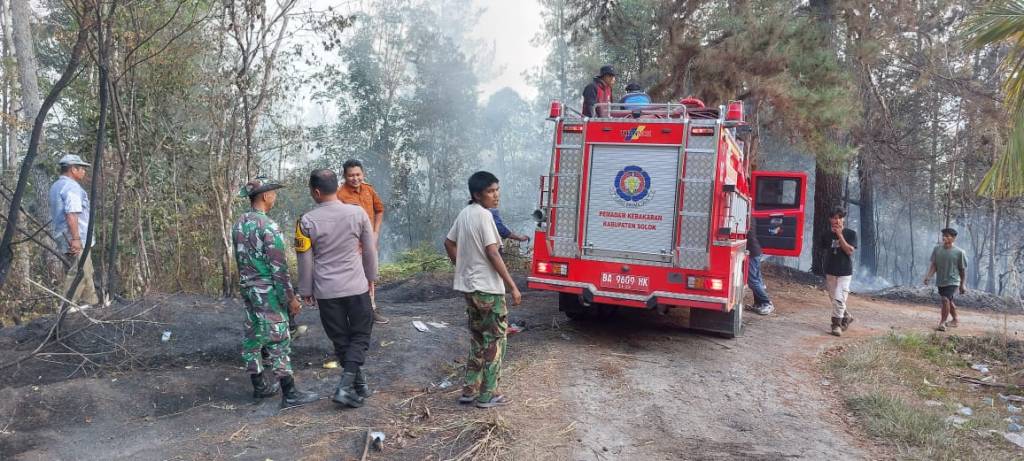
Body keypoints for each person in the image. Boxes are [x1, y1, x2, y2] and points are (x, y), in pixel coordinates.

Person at [232, 177, 318, 408]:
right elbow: (278, 269)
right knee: (279, 339)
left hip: (248, 290)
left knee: (253, 335)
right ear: (265, 196)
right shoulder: (269, 226)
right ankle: (289, 393)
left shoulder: (239, 224)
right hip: (267, 292)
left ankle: (259, 386)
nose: (275, 197)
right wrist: (290, 299)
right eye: (273, 193)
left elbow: (240, 261)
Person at [297, 169, 378, 408]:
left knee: (341, 339)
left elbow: (304, 258)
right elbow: (369, 249)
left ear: (316, 192)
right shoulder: (358, 213)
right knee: (360, 335)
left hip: (326, 291)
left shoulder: (306, 221)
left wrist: (306, 289)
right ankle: (346, 387)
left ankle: (357, 385)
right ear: (337, 186)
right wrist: (371, 278)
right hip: (356, 286)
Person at [444, 171, 522, 409]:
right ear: (477, 195)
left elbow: (448, 242)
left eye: (497, 190)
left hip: (470, 288)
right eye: (490, 191)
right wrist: (512, 286)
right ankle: (488, 394)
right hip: (488, 289)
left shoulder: (465, 213)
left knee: (478, 337)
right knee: (496, 340)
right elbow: (492, 252)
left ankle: (469, 389)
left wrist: (462, 266)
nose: (496, 195)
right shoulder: (484, 216)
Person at [337, 159, 388, 325]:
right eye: (351, 175)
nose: (355, 178)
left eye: (358, 174)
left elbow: (379, 210)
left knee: (370, 277)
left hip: (370, 244)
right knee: (352, 279)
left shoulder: (369, 189)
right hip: (350, 247)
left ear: (363, 174)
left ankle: (371, 310)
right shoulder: (339, 195)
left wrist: (376, 232)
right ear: (345, 176)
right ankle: (352, 314)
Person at [48, 154, 100, 308]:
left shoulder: (57, 186)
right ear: (73, 169)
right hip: (75, 235)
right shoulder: (71, 187)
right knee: (80, 270)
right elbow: (71, 214)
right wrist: (76, 238)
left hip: (65, 234)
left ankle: (92, 303)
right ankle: (67, 307)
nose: (84, 171)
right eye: (81, 168)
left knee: (87, 269)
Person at [818, 207, 857, 336]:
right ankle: (846, 316)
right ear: (830, 219)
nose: (837, 220)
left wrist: (840, 235)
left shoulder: (851, 234)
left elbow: (849, 251)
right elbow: (822, 250)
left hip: (845, 271)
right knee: (834, 298)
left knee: (840, 298)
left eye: (840, 217)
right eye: (835, 218)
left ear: (843, 219)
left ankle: (836, 326)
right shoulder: (825, 235)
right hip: (830, 271)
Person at [923, 228, 967, 332]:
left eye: (947, 236)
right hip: (941, 280)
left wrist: (962, 284)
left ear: (954, 238)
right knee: (949, 301)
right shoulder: (937, 249)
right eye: (943, 235)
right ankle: (955, 319)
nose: (944, 238)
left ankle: (942, 323)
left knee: (945, 299)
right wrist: (928, 276)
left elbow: (962, 270)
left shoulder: (959, 252)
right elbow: (934, 265)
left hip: (953, 280)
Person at [746, 231, 774, 315]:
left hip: (752, 253)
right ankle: (759, 304)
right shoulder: (751, 222)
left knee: (752, 281)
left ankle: (766, 303)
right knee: (756, 280)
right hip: (755, 252)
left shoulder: (749, 223)